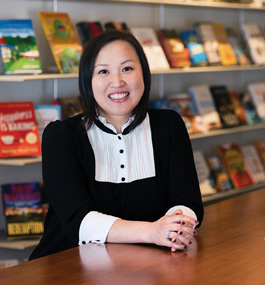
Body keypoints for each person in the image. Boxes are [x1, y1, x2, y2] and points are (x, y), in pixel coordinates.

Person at [29, 29, 203, 260]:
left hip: (151, 263)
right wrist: (153, 231)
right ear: (87, 80)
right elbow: (77, 221)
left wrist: (177, 226)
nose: (117, 82)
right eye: (103, 71)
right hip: (68, 265)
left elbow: (187, 200)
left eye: (127, 68)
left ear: (144, 73)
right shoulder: (62, 137)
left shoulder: (169, 125)